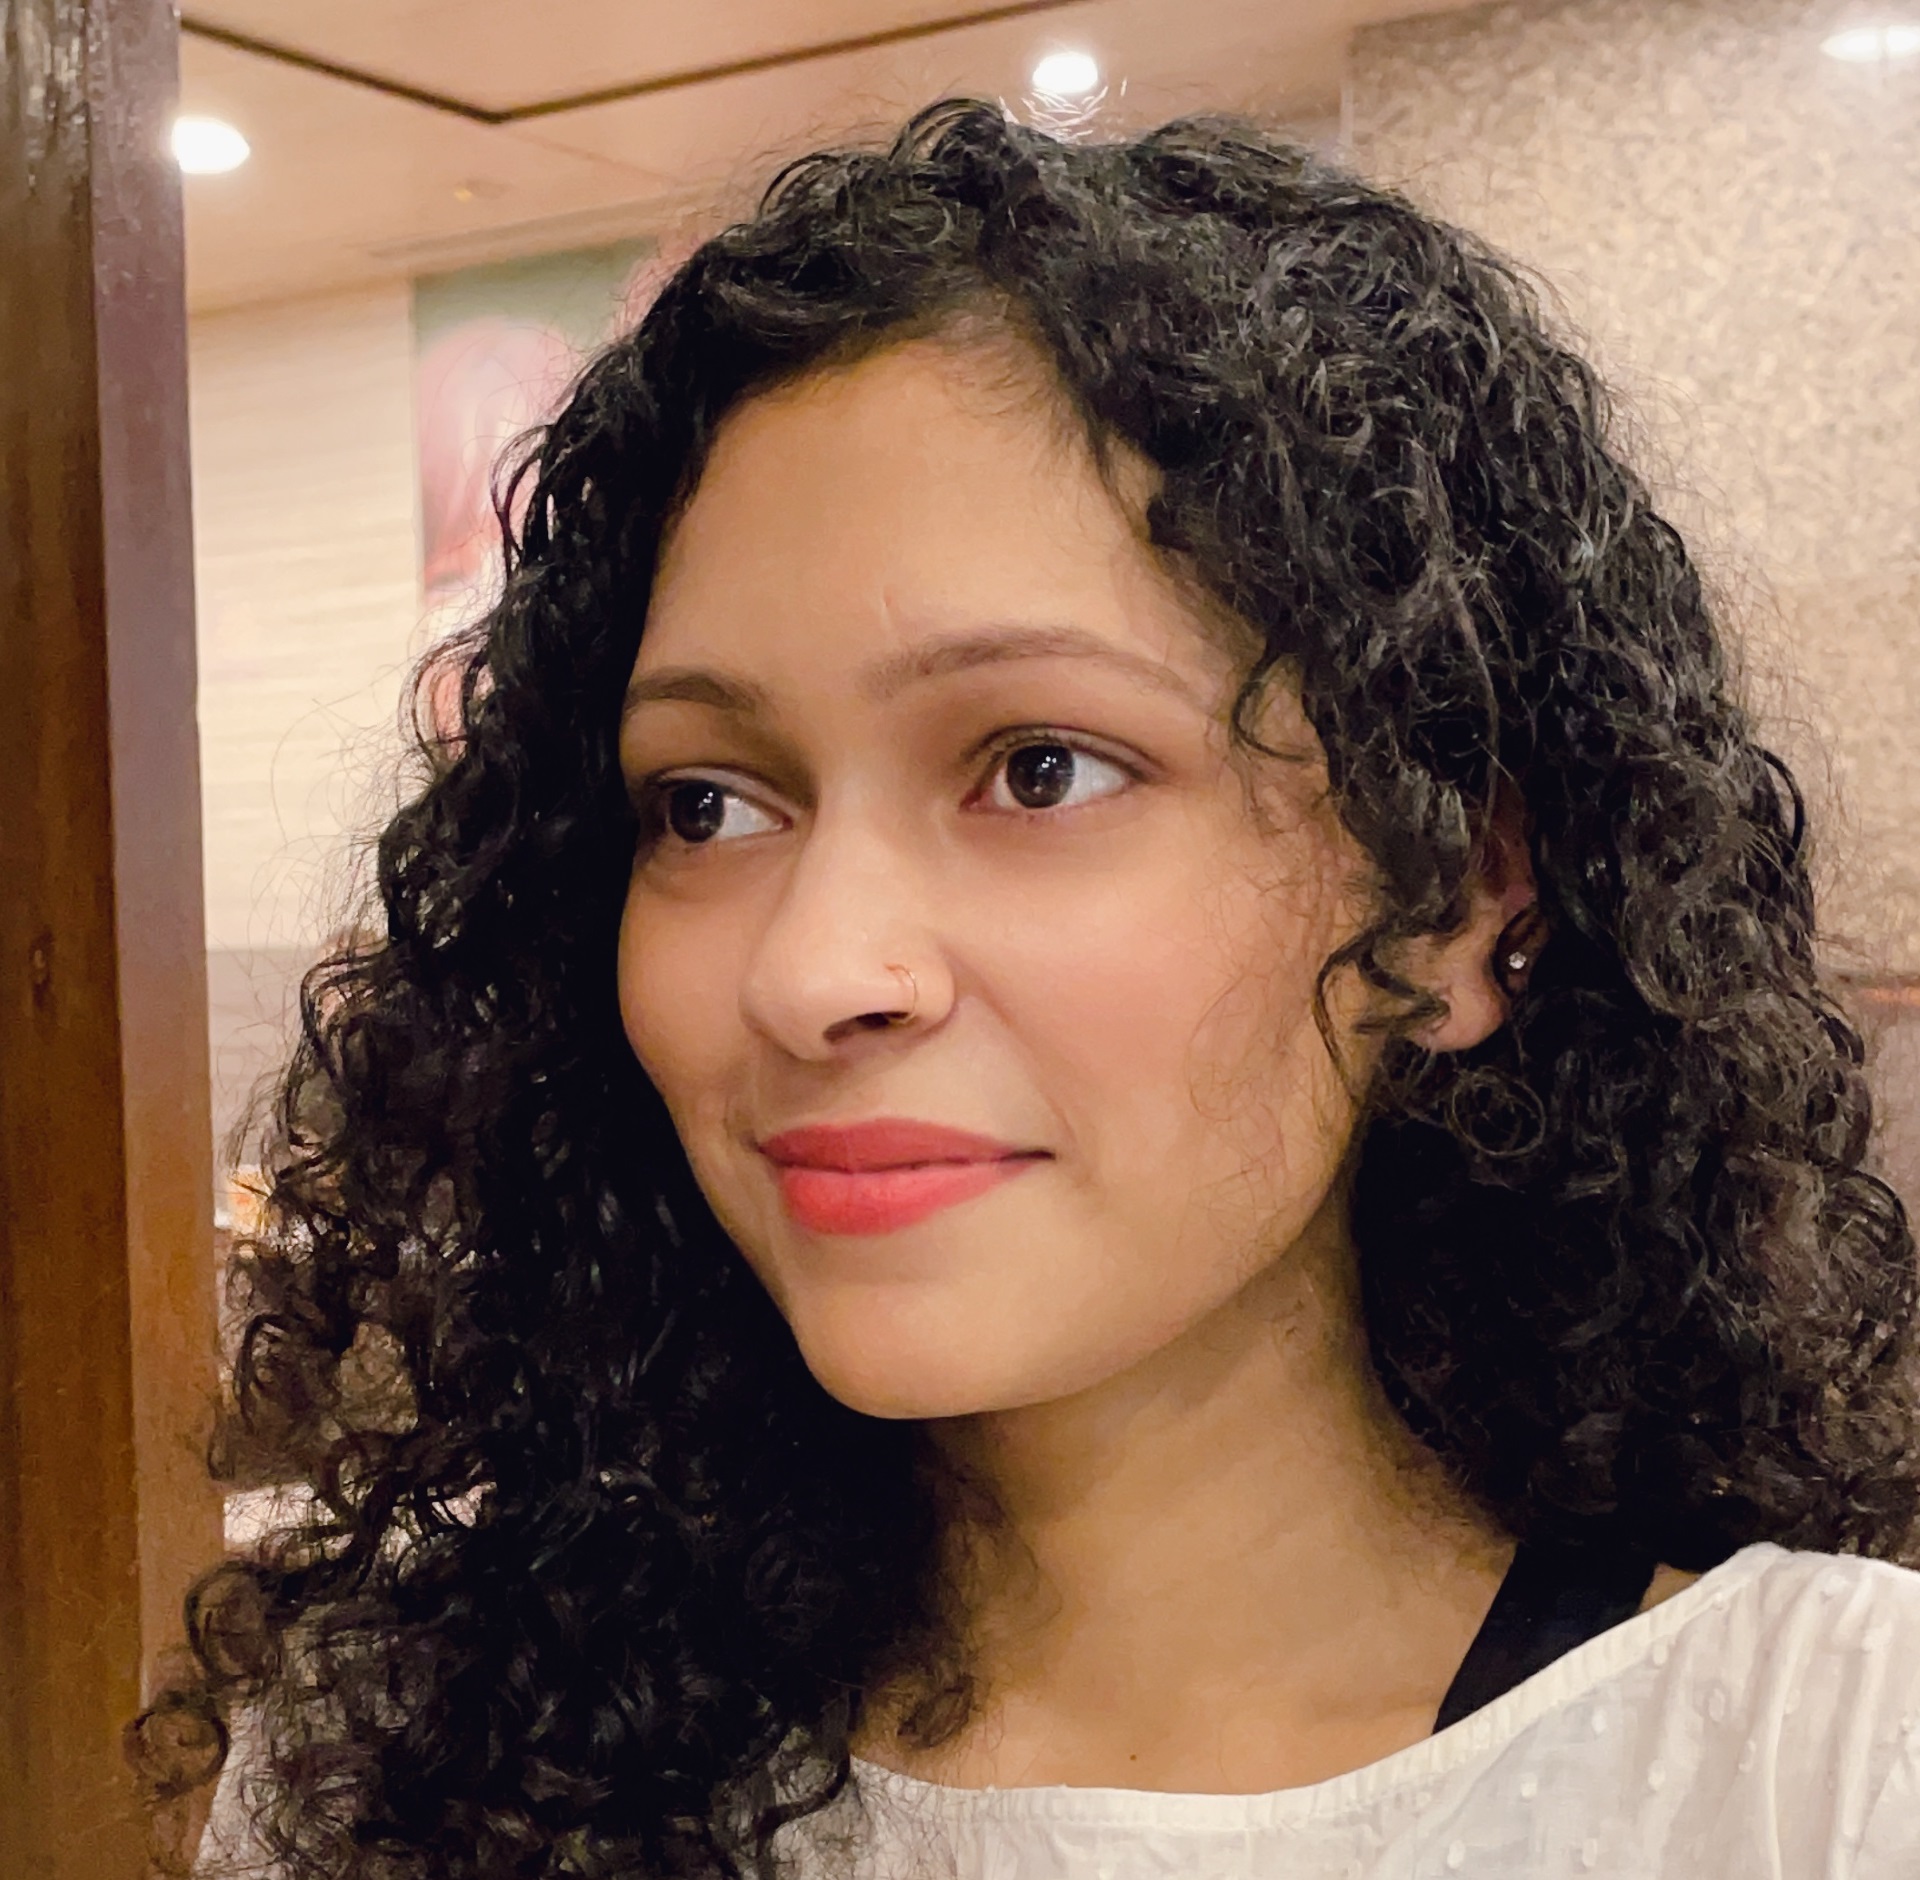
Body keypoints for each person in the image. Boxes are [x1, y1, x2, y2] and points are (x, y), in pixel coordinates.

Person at [159, 102, 1920, 1879]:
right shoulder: (407, 1755)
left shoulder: (1825, 1772)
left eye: (1041, 769)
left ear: (1455, 900)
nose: (812, 971)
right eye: (706, 804)